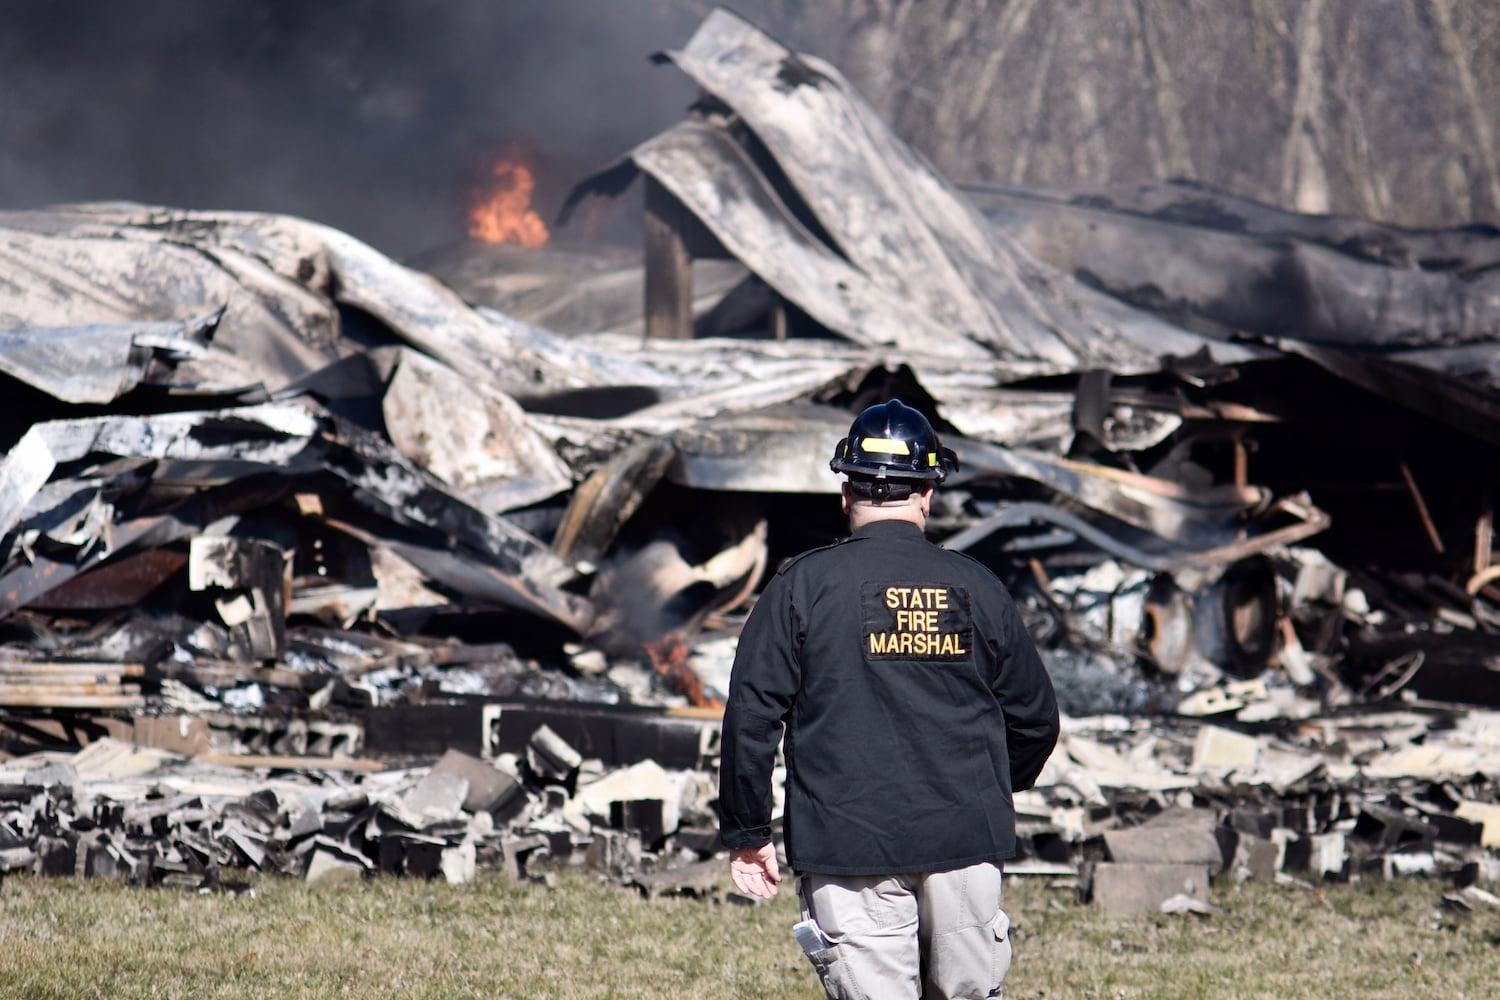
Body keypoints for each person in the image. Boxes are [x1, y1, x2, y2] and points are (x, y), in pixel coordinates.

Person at [718, 398, 1060, 1000]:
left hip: (848, 848)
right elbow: (1035, 719)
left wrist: (748, 833)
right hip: (964, 844)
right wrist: (983, 788)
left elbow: (751, 718)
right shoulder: (978, 587)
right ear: (927, 494)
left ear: (845, 493)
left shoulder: (800, 587)